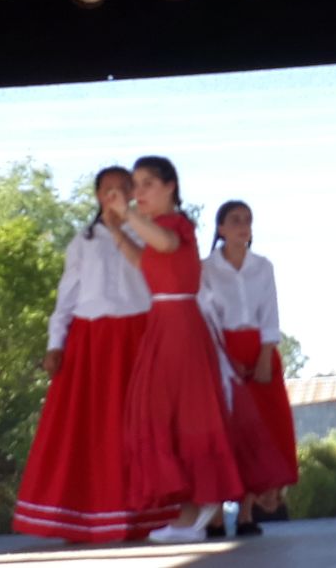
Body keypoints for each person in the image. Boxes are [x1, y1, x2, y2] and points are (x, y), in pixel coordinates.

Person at [14, 166, 176, 542]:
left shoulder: (148, 233)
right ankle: (84, 519)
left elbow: (161, 284)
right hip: (90, 341)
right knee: (87, 429)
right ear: (98, 196)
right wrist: (55, 344)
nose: (115, 194)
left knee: (139, 426)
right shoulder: (82, 241)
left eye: (123, 188)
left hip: (138, 337)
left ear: (133, 194)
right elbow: (66, 295)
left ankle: (149, 516)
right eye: (108, 189)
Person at [104, 157, 244, 543]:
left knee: (183, 414)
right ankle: (191, 508)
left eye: (147, 183)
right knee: (160, 415)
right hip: (163, 324)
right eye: (135, 185)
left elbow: (164, 243)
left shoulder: (177, 224)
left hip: (180, 325)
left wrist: (128, 214)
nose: (139, 192)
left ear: (170, 187)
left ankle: (198, 507)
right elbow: (145, 261)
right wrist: (116, 229)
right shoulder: (154, 228)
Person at [201, 200, 298, 537]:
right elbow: (205, 317)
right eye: (235, 220)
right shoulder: (205, 269)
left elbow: (270, 313)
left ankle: (246, 513)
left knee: (261, 429)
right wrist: (224, 358)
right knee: (223, 431)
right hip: (220, 352)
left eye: (247, 220)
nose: (243, 226)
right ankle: (215, 516)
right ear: (220, 228)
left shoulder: (262, 266)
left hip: (259, 350)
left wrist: (264, 356)